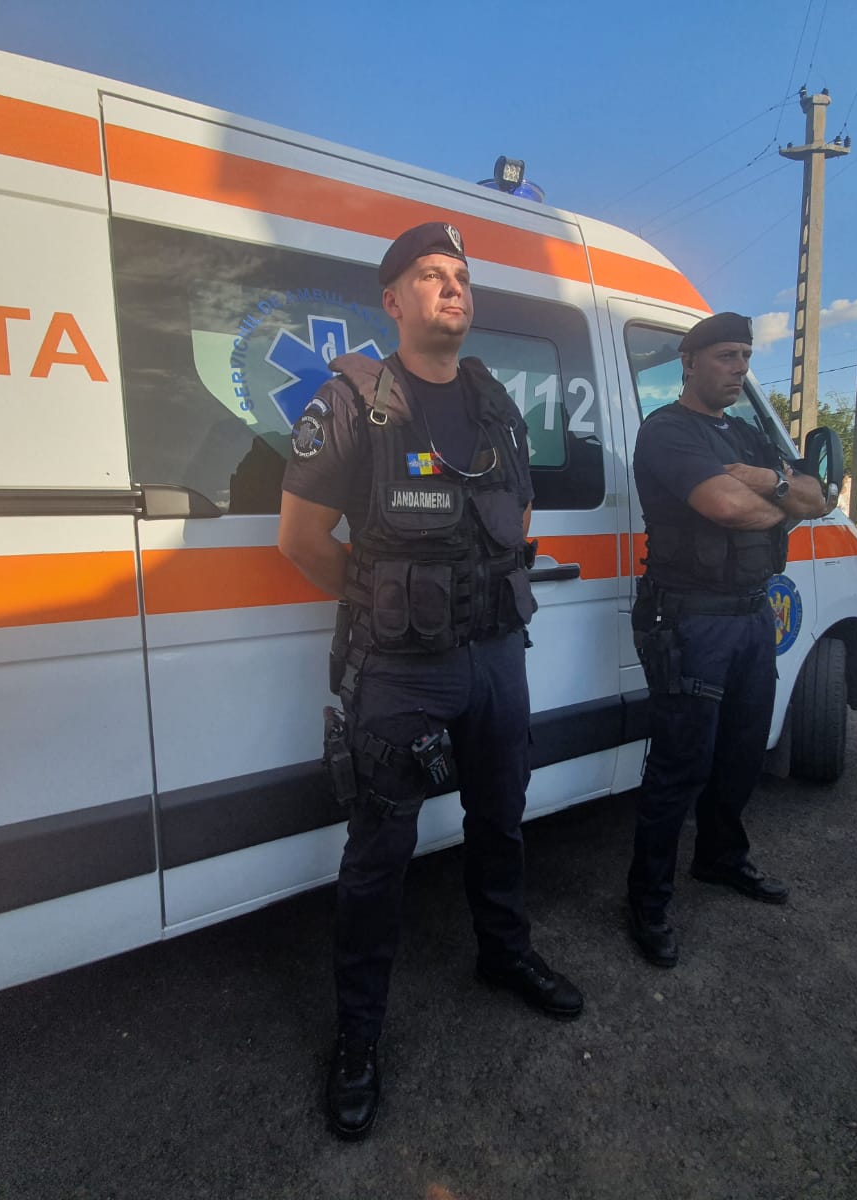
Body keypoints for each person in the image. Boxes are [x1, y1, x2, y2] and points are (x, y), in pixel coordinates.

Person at [277, 222, 583, 1140]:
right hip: (401, 668)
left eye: (460, 276)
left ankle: (504, 954)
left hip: (495, 656)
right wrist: (385, 602)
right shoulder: (353, 400)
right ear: (392, 300)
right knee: (379, 854)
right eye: (429, 275)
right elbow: (299, 540)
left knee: (501, 819)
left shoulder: (494, 402)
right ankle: (358, 1036)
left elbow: (517, 514)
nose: (452, 288)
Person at [623, 312, 832, 969]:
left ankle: (720, 858)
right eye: (725, 356)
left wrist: (763, 479)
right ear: (688, 363)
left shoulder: (745, 434)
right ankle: (647, 902)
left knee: (742, 753)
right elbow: (726, 507)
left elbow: (820, 497)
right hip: (690, 620)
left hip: (750, 614)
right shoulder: (667, 430)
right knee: (679, 765)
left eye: (744, 355)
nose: (739, 367)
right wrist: (776, 496)